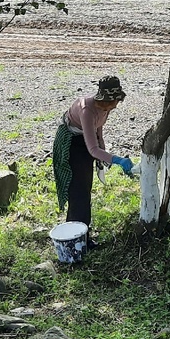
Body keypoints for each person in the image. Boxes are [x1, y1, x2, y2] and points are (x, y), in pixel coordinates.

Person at [52, 75, 133, 235]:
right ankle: (76, 236)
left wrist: (105, 158)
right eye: (115, 101)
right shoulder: (87, 110)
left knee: (85, 188)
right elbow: (93, 149)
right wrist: (117, 160)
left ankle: (83, 233)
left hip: (87, 140)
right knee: (79, 191)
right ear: (107, 100)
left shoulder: (105, 108)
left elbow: (98, 133)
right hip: (71, 142)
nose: (116, 105)